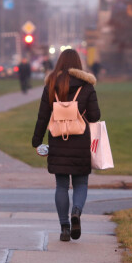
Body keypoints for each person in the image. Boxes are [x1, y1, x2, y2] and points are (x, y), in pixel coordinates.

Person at [32, 49, 100, 242]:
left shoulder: (51, 85)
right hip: (80, 142)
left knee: (61, 186)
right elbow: (95, 116)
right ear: (79, 64)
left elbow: (43, 116)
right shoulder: (87, 86)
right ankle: (76, 211)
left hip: (57, 140)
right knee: (81, 183)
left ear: (59, 63)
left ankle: (64, 227)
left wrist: (37, 141)